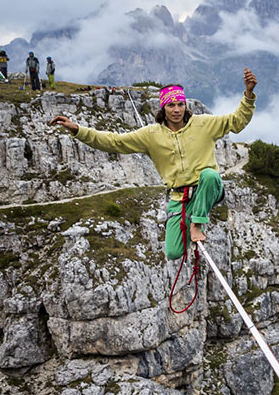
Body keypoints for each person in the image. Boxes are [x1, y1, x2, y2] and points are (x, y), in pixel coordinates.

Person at [49, 68, 257, 260]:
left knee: (209, 175)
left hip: (208, 189)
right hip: (180, 197)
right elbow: (114, 142)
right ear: (163, 108)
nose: (176, 110)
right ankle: (193, 221)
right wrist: (78, 130)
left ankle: (197, 223)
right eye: (171, 105)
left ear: (185, 106)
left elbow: (237, 121)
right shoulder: (151, 135)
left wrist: (248, 94)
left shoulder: (204, 124)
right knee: (173, 252)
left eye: (180, 104)